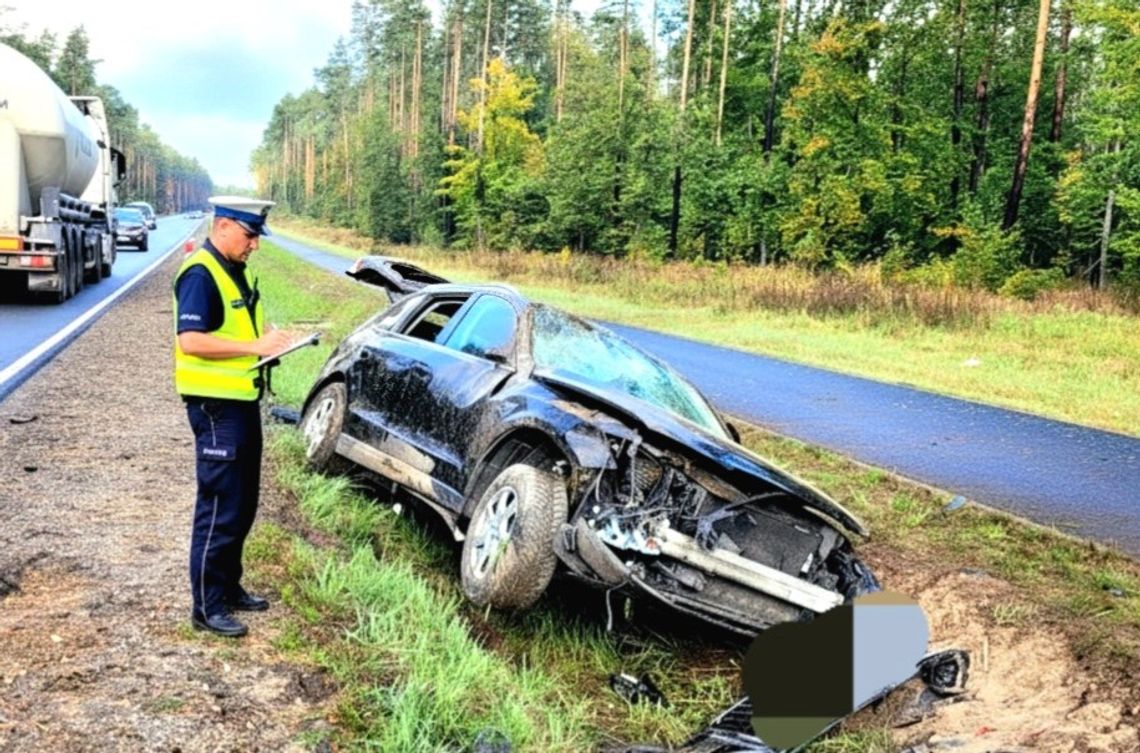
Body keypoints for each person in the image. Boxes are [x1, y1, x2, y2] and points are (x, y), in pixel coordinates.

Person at [173, 195, 293, 637]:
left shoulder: (232, 268)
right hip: (215, 407)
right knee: (220, 505)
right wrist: (254, 347)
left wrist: (268, 341)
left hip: (241, 402)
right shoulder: (201, 273)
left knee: (242, 503)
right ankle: (206, 607)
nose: (254, 244)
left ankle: (228, 586)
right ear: (223, 225)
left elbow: (235, 329)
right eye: (249, 235)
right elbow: (191, 340)